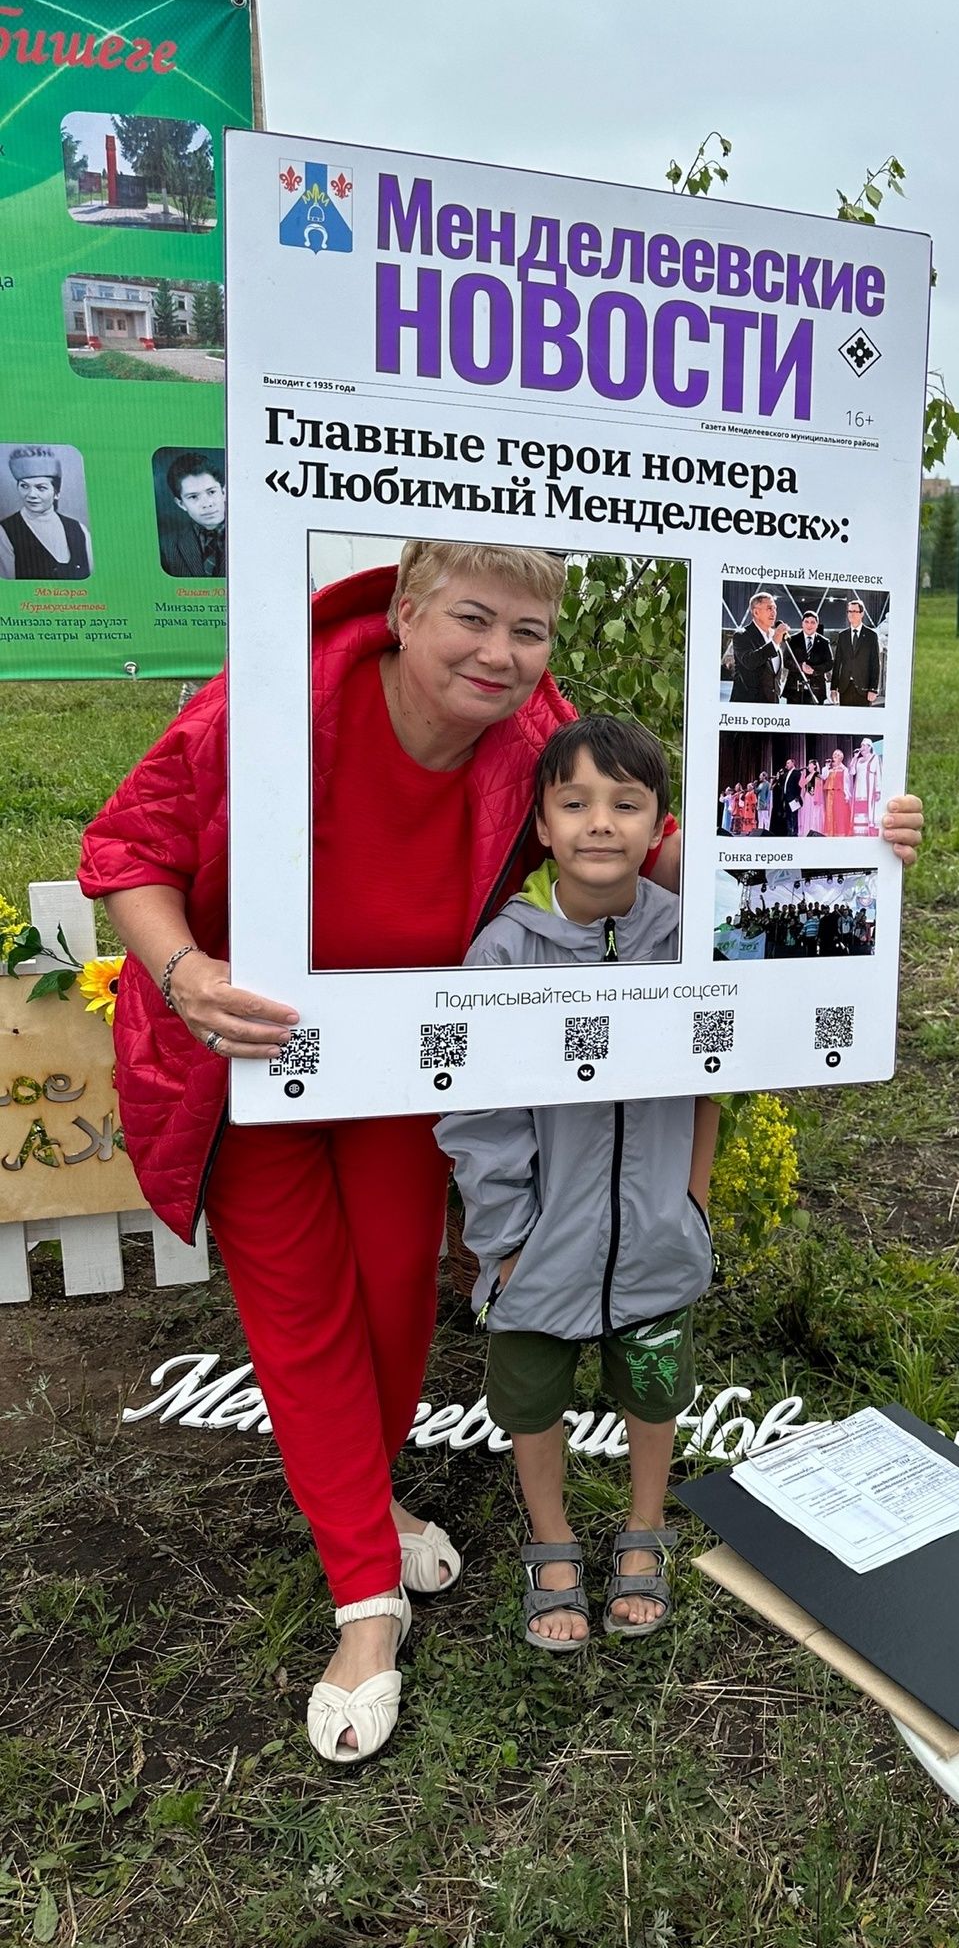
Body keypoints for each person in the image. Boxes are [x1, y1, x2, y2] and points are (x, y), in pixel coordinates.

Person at [87, 543, 909, 1765]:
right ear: (407, 611)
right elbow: (127, 850)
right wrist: (184, 969)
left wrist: (828, 861)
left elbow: (645, 833)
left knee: (392, 1312)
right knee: (302, 1317)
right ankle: (365, 1605)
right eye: (473, 619)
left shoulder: (533, 727)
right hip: (251, 1061)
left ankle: (365, 1509)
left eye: (529, 633)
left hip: (408, 1067)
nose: (499, 654)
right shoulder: (271, 693)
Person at [435, 717, 719, 1652]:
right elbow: (477, 1114)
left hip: (655, 1235)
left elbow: (717, 1079)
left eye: (627, 804)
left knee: (652, 1384)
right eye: (577, 804)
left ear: (660, 827)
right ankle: (551, 1542)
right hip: (540, 1248)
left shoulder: (693, 940)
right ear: (544, 827)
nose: (602, 824)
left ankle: (646, 1532)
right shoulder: (504, 954)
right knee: (530, 1398)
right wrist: (505, 1239)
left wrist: (694, 1201)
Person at [3, 446, 92, 580]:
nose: (31, 495)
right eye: (24, 486)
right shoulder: (4, 532)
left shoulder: (79, 529)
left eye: (41, 488)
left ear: (56, 493)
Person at [157, 450, 227, 578]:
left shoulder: (251, 535)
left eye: (211, 492)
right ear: (181, 504)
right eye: (193, 496)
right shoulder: (167, 547)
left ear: (224, 492)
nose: (207, 504)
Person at [729, 591, 786, 704]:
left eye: (775, 608)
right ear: (756, 612)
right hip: (748, 705)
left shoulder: (774, 635)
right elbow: (750, 662)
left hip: (772, 704)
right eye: (769, 608)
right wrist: (774, 643)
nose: (773, 612)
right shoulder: (742, 635)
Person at [830, 597, 881, 707]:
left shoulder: (871, 636)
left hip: (864, 689)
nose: (851, 614)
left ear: (862, 614)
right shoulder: (842, 636)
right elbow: (837, 663)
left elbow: (875, 664)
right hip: (845, 688)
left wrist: (873, 688)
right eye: (849, 611)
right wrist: (833, 688)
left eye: (854, 611)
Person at [783, 609, 833, 705]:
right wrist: (801, 667)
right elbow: (786, 661)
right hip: (795, 690)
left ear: (817, 624)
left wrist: (814, 670)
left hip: (816, 690)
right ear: (802, 623)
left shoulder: (824, 642)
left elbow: (829, 663)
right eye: (806, 622)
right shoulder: (792, 640)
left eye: (812, 622)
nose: (809, 625)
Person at [850, 739, 883, 838]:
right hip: (859, 789)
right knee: (859, 809)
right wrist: (855, 758)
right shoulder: (859, 760)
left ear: (869, 747)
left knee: (869, 809)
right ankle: (858, 833)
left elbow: (879, 774)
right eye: (861, 745)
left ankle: (868, 831)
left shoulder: (875, 758)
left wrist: (878, 790)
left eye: (864, 745)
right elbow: (852, 772)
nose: (862, 747)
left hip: (869, 788)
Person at [823, 749, 853, 837]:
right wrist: (826, 767)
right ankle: (830, 833)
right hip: (830, 794)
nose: (834, 758)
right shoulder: (830, 770)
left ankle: (840, 833)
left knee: (839, 814)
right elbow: (824, 777)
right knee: (830, 814)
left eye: (836, 756)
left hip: (839, 794)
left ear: (840, 758)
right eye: (833, 757)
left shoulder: (844, 770)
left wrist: (847, 795)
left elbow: (846, 783)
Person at [800, 758, 824, 837]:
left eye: (810, 764)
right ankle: (806, 830)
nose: (808, 766)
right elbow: (802, 785)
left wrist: (817, 798)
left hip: (813, 796)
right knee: (807, 813)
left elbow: (818, 787)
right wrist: (802, 774)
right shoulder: (808, 775)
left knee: (813, 813)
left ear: (814, 766)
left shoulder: (816, 774)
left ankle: (813, 830)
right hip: (807, 796)